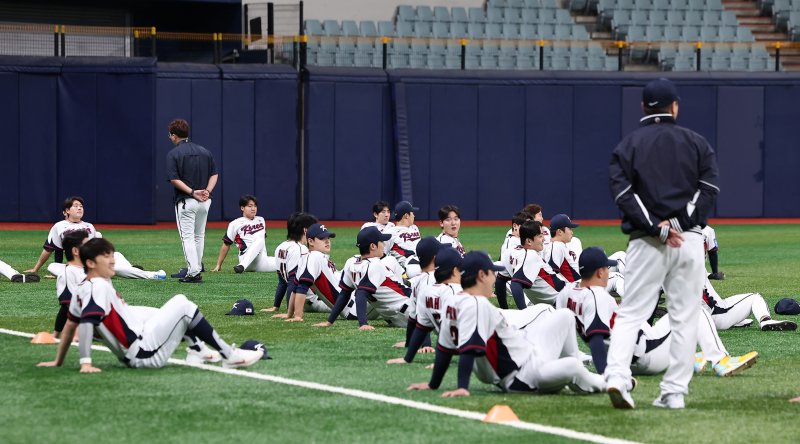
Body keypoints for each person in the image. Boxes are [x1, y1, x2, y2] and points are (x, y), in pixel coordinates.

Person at [606, 78, 720, 410]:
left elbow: (623, 194)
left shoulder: (628, 145)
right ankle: (673, 393)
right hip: (689, 240)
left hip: (646, 242)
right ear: (675, 107)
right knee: (684, 317)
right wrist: (678, 224)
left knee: (631, 314)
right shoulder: (696, 142)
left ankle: (617, 378)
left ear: (643, 107)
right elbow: (709, 188)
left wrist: (657, 229)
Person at [36, 238, 263, 371]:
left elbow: (69, 326)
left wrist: (58, 361)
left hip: (138, 347)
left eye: (111, 254)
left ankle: (197, 351)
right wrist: (85, 363)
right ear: (90, 263)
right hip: (143, 354)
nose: (112, 260)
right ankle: (229, 356)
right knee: (182, 305)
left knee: (173, 307)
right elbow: (86, 324)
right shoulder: (98, 287)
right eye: (106, 256)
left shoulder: (85, 286)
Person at [406, 251, 605, 397]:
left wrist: (433, 384)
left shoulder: (453, 301)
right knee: (573, 366)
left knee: (565, 316)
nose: (495, 278)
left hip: (528, 357)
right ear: (481, 275)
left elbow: (444, 348)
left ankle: (573, 374)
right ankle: (607, 383)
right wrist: (462, 387)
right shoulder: (477, 304)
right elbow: (469, 348)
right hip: (523, 376)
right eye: (492, 273)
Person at [557, 247, 757, 379]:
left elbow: (562, 329)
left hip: (623, 358)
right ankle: (721, 361)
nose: (609, 272)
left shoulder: (567, 293)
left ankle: (686, 359)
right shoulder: (598, 296)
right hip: (645, 356)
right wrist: (605, 377)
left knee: (656, 326)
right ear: (600, 272)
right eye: (606, 268)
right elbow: (596, 339)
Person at [26, 196, 165, 280]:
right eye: (75, 206)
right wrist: (36, 268)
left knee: (116, 256)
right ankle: (127, 270)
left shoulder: (89, 226)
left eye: (81, 206)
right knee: (52, 266)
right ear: (67, 211)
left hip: (92, 260)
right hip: (77, 266)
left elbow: (97, 247)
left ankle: (150, 274)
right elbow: (51, 249)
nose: (79, 208)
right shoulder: (59, 226)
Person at [315, 227, 413, 330]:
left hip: (398, 317)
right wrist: (363, 324)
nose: (384, 245)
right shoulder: (376, 264)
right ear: (373, 246)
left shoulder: (351, 262)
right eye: (381, 242)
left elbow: (344, 294)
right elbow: (359, 293)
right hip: (410, 310)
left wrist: (330, 321)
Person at [388, 243, 460, 364]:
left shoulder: (421, 283)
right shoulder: (447, 287)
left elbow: (416, 320)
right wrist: (426, 345)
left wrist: (409, 347)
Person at [166, 118, 218, 284]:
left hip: (187, 200)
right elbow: (214, 174)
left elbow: (174, 179)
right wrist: (207, 191)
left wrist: (192, 192)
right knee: (199, 236)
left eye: (170, 135)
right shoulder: (204, 151)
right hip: (205, 201)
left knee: (187, 237)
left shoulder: (173, 154)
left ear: (174, 136)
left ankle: (193, 272)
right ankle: (196, 267)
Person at [279, 223, 343, 322]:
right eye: (322, 238)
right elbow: (301, 287)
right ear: (310, 241)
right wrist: (297, 316)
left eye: (328, 238)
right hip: (350, 305)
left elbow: (295, 288)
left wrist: (289, 314)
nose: (327, 241)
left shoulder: (311, 257)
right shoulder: (314, 257)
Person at [262, 212, 318, 313]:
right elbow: (293, 282)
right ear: (305, 230)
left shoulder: (280, 247)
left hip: (303, 299)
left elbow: (282, 282)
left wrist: (276, 306)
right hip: (312, 299)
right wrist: (290, 311)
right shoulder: (301, 249)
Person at [211, 195, 277, 274]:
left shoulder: (261, 220)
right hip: (246, 260)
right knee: (259, 239)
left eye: (255, 206)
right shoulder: (235, 223)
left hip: (262, 261)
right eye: (250, 206)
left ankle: (242, 266)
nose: (253, 208)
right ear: (242, 208)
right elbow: (226, 244)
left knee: (284, 262)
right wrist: (218, 265)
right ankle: (242, 266)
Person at [703, 276, 797, 332]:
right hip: (716, 317)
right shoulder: (696, 262)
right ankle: (766, 320)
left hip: (702, 321)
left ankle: (734, 321)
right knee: (755, 297)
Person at [507, 221, 565, 308]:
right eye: (540, 236)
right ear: (529, 241)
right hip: (564, 299)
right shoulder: (531, 255)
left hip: (564, 296)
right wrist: (524, 312)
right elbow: (515, 284)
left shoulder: (516, 251)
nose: (544, 239)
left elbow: (504, 279)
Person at [53, 231, 90, 339]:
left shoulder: (90, 269)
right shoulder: (68, 273)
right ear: (75, 251)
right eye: (87, 245)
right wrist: (76, 335)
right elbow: (69, 307)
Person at [495, 211, 532, 309]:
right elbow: (505, 273)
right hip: (513, 277)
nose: (528, 228)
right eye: (525, 225)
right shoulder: (511, 242)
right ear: (515, 226)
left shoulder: (521, 239)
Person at [385, 201, 422, 272]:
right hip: (407, 268)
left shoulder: (414, 228)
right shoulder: (390, 233)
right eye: (412, 213)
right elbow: (383, 255)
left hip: (422, 262)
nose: (414, 216)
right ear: (406, 215)